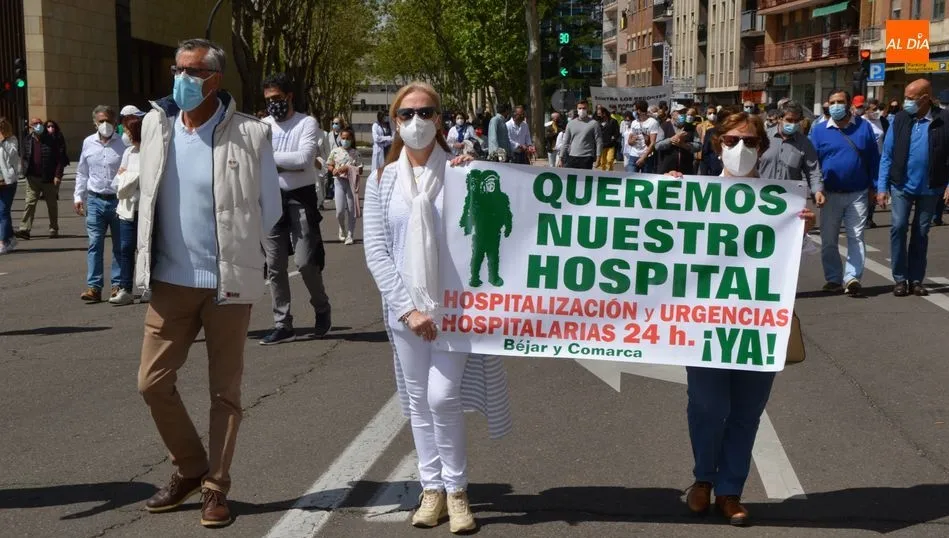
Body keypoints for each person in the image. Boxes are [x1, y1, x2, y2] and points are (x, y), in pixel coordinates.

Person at [136, 38, 281, 528]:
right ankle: (191, 467)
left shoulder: (251, 134)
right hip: (169, 281)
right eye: (177, 69)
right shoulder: (157, 126)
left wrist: (254, 266)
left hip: (226, 284)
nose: (181, 78)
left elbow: (270, 209)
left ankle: (215, 488)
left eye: (192, 72)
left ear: (215, 80)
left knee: (225, 392)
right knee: (152, 384)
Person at [363, 81, 512, 534]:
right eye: (406, 115)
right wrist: (408, 309)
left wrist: (480, 175)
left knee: (442, 396)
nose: (415, 122)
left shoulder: (465, 173)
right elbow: (376, 250)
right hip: (407, 313)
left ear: (440, 120)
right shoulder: (380, 181)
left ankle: (458, 490)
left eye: (425, 113)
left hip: (458, 310)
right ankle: (432, 491)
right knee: (418, 401)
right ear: (393, 122)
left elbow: (503, 228)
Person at [683, 111, 815, 527]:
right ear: (716, 143)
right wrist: (661, 198)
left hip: (758, 325)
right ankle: (703, 477)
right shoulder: (691, 194)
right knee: (707, 404)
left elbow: (799, 257)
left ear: (763, 147)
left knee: (746, 410)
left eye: (752, 141)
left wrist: (801, 230)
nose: (742, 149)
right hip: (704, 322)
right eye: (732, 140)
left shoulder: (780, 200)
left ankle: (729, 490)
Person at [259, 72, 333, 345]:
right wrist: (276, 162)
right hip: (270, 198)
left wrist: (270, 159)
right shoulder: (262, 126)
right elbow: (255, 160)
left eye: (277, 98)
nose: (273, 104)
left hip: (300, 198)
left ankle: (322, 306)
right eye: (268, 100)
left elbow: (304, 159)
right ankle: (283, 323)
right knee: (274, 265)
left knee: (304, 262)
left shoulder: (307, 123)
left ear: (289, 96)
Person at [877, 78, 949, 297]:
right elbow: (887, 155)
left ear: (925, 99)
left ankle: (916, 279)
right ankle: (900, 279)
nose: (905, 102)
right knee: (898, 227)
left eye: (910, 98)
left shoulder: (944, 120)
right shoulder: (899, 119)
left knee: (921, 232)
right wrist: (882, 187)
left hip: (930, 187)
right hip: (901, 186)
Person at [809, 89, 880, 297]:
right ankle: (833, 279)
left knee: (856, 236)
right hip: (829, 193)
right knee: (829, 239)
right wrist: (816, 189)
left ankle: (852, 278)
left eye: (840, 102)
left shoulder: (863, 127)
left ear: (849, 104)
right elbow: (813, 164)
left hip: (857, 192)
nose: (836, 106)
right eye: (832, 102)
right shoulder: (819, 130)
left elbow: (873, 159)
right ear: (827, 105)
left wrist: (875, 187)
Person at [74, 106, 127, 303]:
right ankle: (94, 287)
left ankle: (118, 285)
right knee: (94, 244)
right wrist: (78, 197)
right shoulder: (88, 143)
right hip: (95, 199)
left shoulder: (123, 143)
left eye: (108, 121)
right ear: (95, 123)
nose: (104, 125)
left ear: (115, 123)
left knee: (119, 246)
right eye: (101, 121)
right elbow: (82, 172)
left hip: (118, 200)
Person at [759, 101, 825, 204]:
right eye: (789, 120)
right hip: (761, 196)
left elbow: (813, 171)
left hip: (790, 200)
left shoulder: (805, 143)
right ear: (780, 119)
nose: (793, 124)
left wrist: (817, 191)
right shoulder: (763, 138)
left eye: (796, 121)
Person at [109, 113, 144, 306]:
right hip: (127, 209)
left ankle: (149, 287)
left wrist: (129, 176)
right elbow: (118, 181)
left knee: (147, 250)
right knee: (125, 248)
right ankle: (125, 288)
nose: (125, 134)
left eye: (127, 130)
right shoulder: (128, 153)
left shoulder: (150, 152)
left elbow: (147, 180)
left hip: (145, 209)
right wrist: (130, 177)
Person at [17, 117, 68, 240]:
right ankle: (24, 229)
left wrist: (57, 175)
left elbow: (59, 160)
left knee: (51, 204)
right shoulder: (27, 140)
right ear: (30, 126)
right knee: (30, 203)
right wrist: (25, 171)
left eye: (40, 123)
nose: (38, 125)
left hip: (49, 178)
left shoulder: (51, 140)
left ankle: (53, 228)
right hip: (32, 178)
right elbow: (24, 157)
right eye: (35, 124)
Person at [327, 126, 362, 246]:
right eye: (343, 138)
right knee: (340, 211)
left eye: (347, 138)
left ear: (351, 139)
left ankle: (350, 234)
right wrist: (333, 170)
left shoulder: (355, 153)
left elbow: (360, 169)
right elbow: (330, 165)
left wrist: (349, 168)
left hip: (351, 183)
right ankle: (342, 228)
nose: (345, 140)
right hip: (339, 182)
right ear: (340, 138)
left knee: (351, 210)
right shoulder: (335, 151)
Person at [558, 100, 602, 170]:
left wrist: (598, 157)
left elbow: (599, 142)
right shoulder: (570, 124)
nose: (582, 110)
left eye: (584, 108)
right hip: (572, 156)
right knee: (571, 179)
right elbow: (565, 142)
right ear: (577, 109)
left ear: (588, 109)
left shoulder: (594, 124)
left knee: (584, 180)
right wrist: (561, 158)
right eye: (580, 108)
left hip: (587, 157)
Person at [656, 107, 700, 174]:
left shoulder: (692, 128)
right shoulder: (664, 126)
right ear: (672, 114)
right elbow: (657, 146)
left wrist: (684, 145)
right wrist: (671, 139)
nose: (682, 114)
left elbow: (698, 146)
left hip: (686, 170)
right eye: (679, 112)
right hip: (666, 170)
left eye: (684, 112)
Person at [623, 100, 661, 173]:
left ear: (639, 111)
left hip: (647, 157)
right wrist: (632, 141)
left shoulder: (652, 122)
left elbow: (653, 143)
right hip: (633, 155)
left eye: (634, 110)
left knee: (645, 180)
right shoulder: (634, 122)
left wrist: (643, 157)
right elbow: (629, 141)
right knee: (631, 180)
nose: (633, 112)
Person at [0, 117, 20, 254]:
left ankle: (2, 242)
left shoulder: (12, 140)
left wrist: (3, 141)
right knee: (2, 212)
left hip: (8, 181)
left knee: (3, 211)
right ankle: (11, 237)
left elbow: (12, 155)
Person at [595, 105, 620, 171]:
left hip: (610, 145)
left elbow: (617, 132)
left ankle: (610, 174)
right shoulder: (597, 122)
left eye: (600, 114)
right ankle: (602, 176)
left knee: (609, 160)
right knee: (602, 162)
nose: (599, 115)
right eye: (598, 114)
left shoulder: (613, 121)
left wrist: (614, 138)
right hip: (601, 145)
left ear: (604, 113)